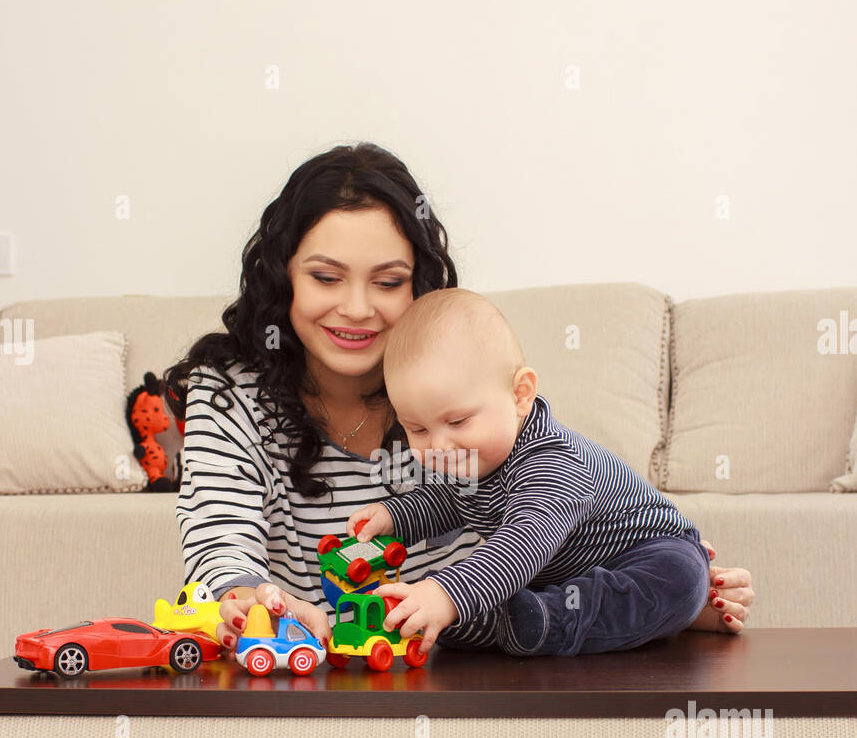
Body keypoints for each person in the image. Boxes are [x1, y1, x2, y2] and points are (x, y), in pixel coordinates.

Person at [164, 142, 754, 655]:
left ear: (419, 283)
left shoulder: (454, 380)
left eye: (388, 281)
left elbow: (524, 536)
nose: (357, 308)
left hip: (457, 670)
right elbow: (220, 544)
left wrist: (666, 598)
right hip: (343, 660)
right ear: (283, 273)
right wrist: (256, 605)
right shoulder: (230, 388)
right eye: (326, 277)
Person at [347, 288, 716, 657]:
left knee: (682, 578)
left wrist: (446, 593)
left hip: (643, 552)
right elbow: (444, 503)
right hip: (561, 575)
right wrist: (394, 517)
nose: (439, 447)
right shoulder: (469, 459)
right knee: (471, 600)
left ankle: (546, 623)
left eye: (457, 421)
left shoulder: (553, 463)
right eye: (419, 430)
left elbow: (523, 542)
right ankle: (502, 620)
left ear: (521, 395)